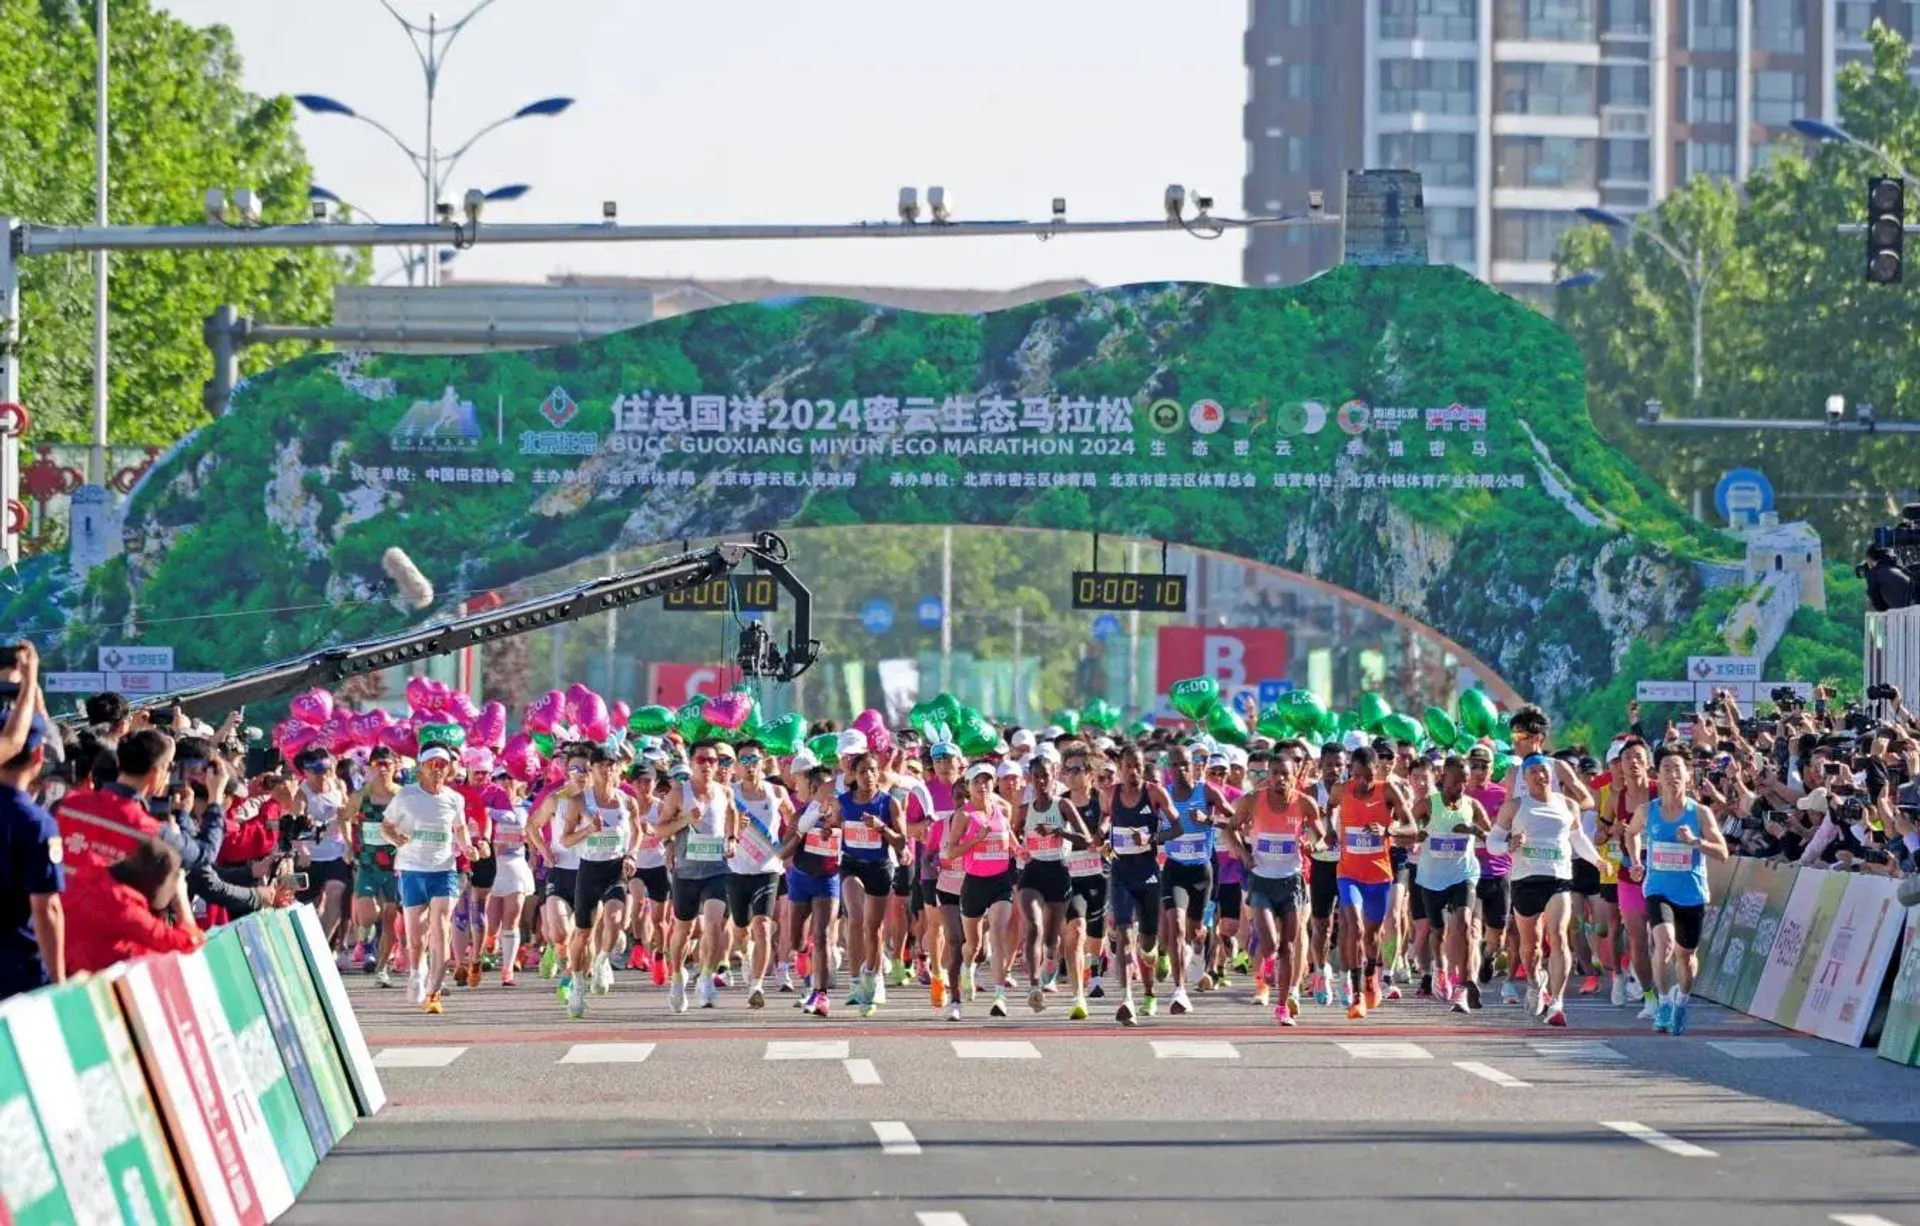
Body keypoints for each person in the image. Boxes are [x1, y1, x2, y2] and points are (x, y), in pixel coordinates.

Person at [1487, 755, 1603, 1028]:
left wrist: (1597, 860)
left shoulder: (1568, 805)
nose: (1541, 775)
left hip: (1558, 878)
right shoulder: (1514, 807)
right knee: (1531, 946)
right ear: (1525, 779)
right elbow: (1492, 843)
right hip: (1525, 880)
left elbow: (1578, 839)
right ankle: (1533, 982)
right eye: (1535, 772)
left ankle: (1558, 1002)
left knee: (1560, 935)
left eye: (1545, 770)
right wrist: (1509, 845)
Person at [1623, 748, 1730, 1036]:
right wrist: (1635, 861)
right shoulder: (1648, 811)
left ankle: (1681, 1001)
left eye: (1677, 769)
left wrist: (1696, 842)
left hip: (1691, 893)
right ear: (1657, 776)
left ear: (1687, 776)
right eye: (1666, 769)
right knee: (1664, 944)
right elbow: (1630, 832)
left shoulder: (1701, 813)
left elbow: (1723, 852)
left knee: (1686, 956)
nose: (1672, 774)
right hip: (1658, 889)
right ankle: (1664, 1003)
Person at [380, 744, 476, 1015]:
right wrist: (396, 838)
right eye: (432, 764)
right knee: (416, 937)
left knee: (441, 928)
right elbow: (386, 827)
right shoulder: (406, 797)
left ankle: (434, 992)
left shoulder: (454, 799)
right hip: (412, 870)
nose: (438, 769)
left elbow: (460, 828)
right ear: (421, 767)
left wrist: (467, 847)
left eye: (443, 765)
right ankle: (415, 973)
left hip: (444, 871)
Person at [1236, 741, 1324, 1026]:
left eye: (1284, 774)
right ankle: (1268, 962)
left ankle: (1283, 1006)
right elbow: (1230, 828)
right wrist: (1244, 854)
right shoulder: (1253, 800)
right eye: (1274, 773)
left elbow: (1321, 834)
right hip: (1261, 880)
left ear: (1295, 775)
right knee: (1271, 941)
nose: (1279, 778)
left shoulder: (1304, 803)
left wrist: (1313, 841)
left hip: (1292, 882)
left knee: (1288, 944)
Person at [556, 742, 639, 1019]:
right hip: (589, 868)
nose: (607, 769)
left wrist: (631, 854)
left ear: (617, 769)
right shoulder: (580, 801)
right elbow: (565, 839)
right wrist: (589, 829)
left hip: (615, 868)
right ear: (592, 770)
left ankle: (603, 961)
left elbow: (637, 832)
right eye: (601, 765)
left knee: (615, 919)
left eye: (611, 765)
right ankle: (578, 982)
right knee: (582, 933)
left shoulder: (627, 802)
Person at [656, 738, 739, 1012]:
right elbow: (660, 831)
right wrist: (684, 820)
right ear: (691, 763)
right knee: (684, 929)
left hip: (717, 870)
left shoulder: (724, 792)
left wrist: (732, 839)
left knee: (714, 922)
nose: (706, 765)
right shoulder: (679, 794)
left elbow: (732, 815)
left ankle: (706, 978)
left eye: (712, 760)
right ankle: (677, 976)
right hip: (687, 872)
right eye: (701, 760)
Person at [1335, 746, 1417, 1020]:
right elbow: (1326, 810)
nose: (1362, 782)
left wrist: (1388, 830)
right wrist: (1326, 833)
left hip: (1379, 875)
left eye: (1368, 776)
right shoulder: (1340, 790)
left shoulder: (1388, 790)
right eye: (1357, 776)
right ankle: (1356, 995)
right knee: (1355, 928)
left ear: (1376, 772)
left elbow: (1412, 828)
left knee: (1372, 936)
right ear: (1351, 772)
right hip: (1348, 874)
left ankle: (1371, 972)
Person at [1014, 753, 1095, 1015]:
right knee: (1034, 927)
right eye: (1036, 777)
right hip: (1033, 872)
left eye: (1045, 776)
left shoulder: (1063, 806)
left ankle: (1051, 959)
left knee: (1051, 939)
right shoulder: (1025, 810)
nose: (1040, 781)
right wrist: (1019, 851)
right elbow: (1012, 836)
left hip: (1059, 872)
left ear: (1054, 777)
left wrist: (1058, 832)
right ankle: (1034, 986)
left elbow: (1085, 839)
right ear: (1030, 779)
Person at [0, 699, 64, 1001]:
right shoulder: (37, 823)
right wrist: (60, 983)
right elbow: (46, 908)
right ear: (39, 755)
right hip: (17, 972)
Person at [62, 837, 203, 973]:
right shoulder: (124, 906)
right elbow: (188, 944)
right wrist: (181, 899)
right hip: (83, 976)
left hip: (63, 962)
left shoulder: (92, 872)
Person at [837, 746, 907, 1016]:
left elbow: (901, 841)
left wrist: (881, 827)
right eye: (863, 771)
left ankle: (873, 976)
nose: (869, 775)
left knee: (873, 927)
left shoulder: (889, 803)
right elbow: (831, 825)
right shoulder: (843, 802)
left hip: (879, 866)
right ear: (853, 775)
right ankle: (856, 981)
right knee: (855, 918)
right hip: (852, 864)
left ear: (879, 774)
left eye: (873, 770)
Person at [945, 762, 1017, 1019]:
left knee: (997, 933)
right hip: (974, 882)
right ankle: (967, 968)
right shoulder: (963, 816)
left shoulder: (1003, 810)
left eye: (987, 780)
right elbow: (951, 852)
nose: (982, 785)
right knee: (973, 946)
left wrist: (1021, 852)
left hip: (1000, 881)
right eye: (977, 781)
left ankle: (999, 996)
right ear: (969, 786)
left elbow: (1009, 836)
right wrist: (975, 841)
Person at [728, 739, 792, 1009]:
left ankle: (757, 986)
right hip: (737, 869)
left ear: (763, 762)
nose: (750, 765)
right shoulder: (729, 794)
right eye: (744, 760)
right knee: (742, 930)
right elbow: (714, 827)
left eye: (754, 759)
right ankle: (745, 955)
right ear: (736, 766)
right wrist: (732, 827)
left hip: (767, 869)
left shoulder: (775, 792)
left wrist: (786, 849)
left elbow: (794, 819)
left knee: (763, 926)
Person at [343, 746, 404, 986]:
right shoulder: (361, 796)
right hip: (368, 863)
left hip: (394, 865)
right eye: (377, 764)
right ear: (369, 768)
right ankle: (365, 942)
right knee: (368, 914)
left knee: (389, 919)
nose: (382, 769)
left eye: (387, 764)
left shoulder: (402, 796)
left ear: (395, 767)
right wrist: (349, 844)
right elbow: (345, 818)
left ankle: (381, 969)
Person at [1863, 545, 1915, 613]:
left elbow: (1879, 606)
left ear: (1870, 559)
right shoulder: (1900, 569)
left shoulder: (1875, 574)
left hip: (1900, 616)